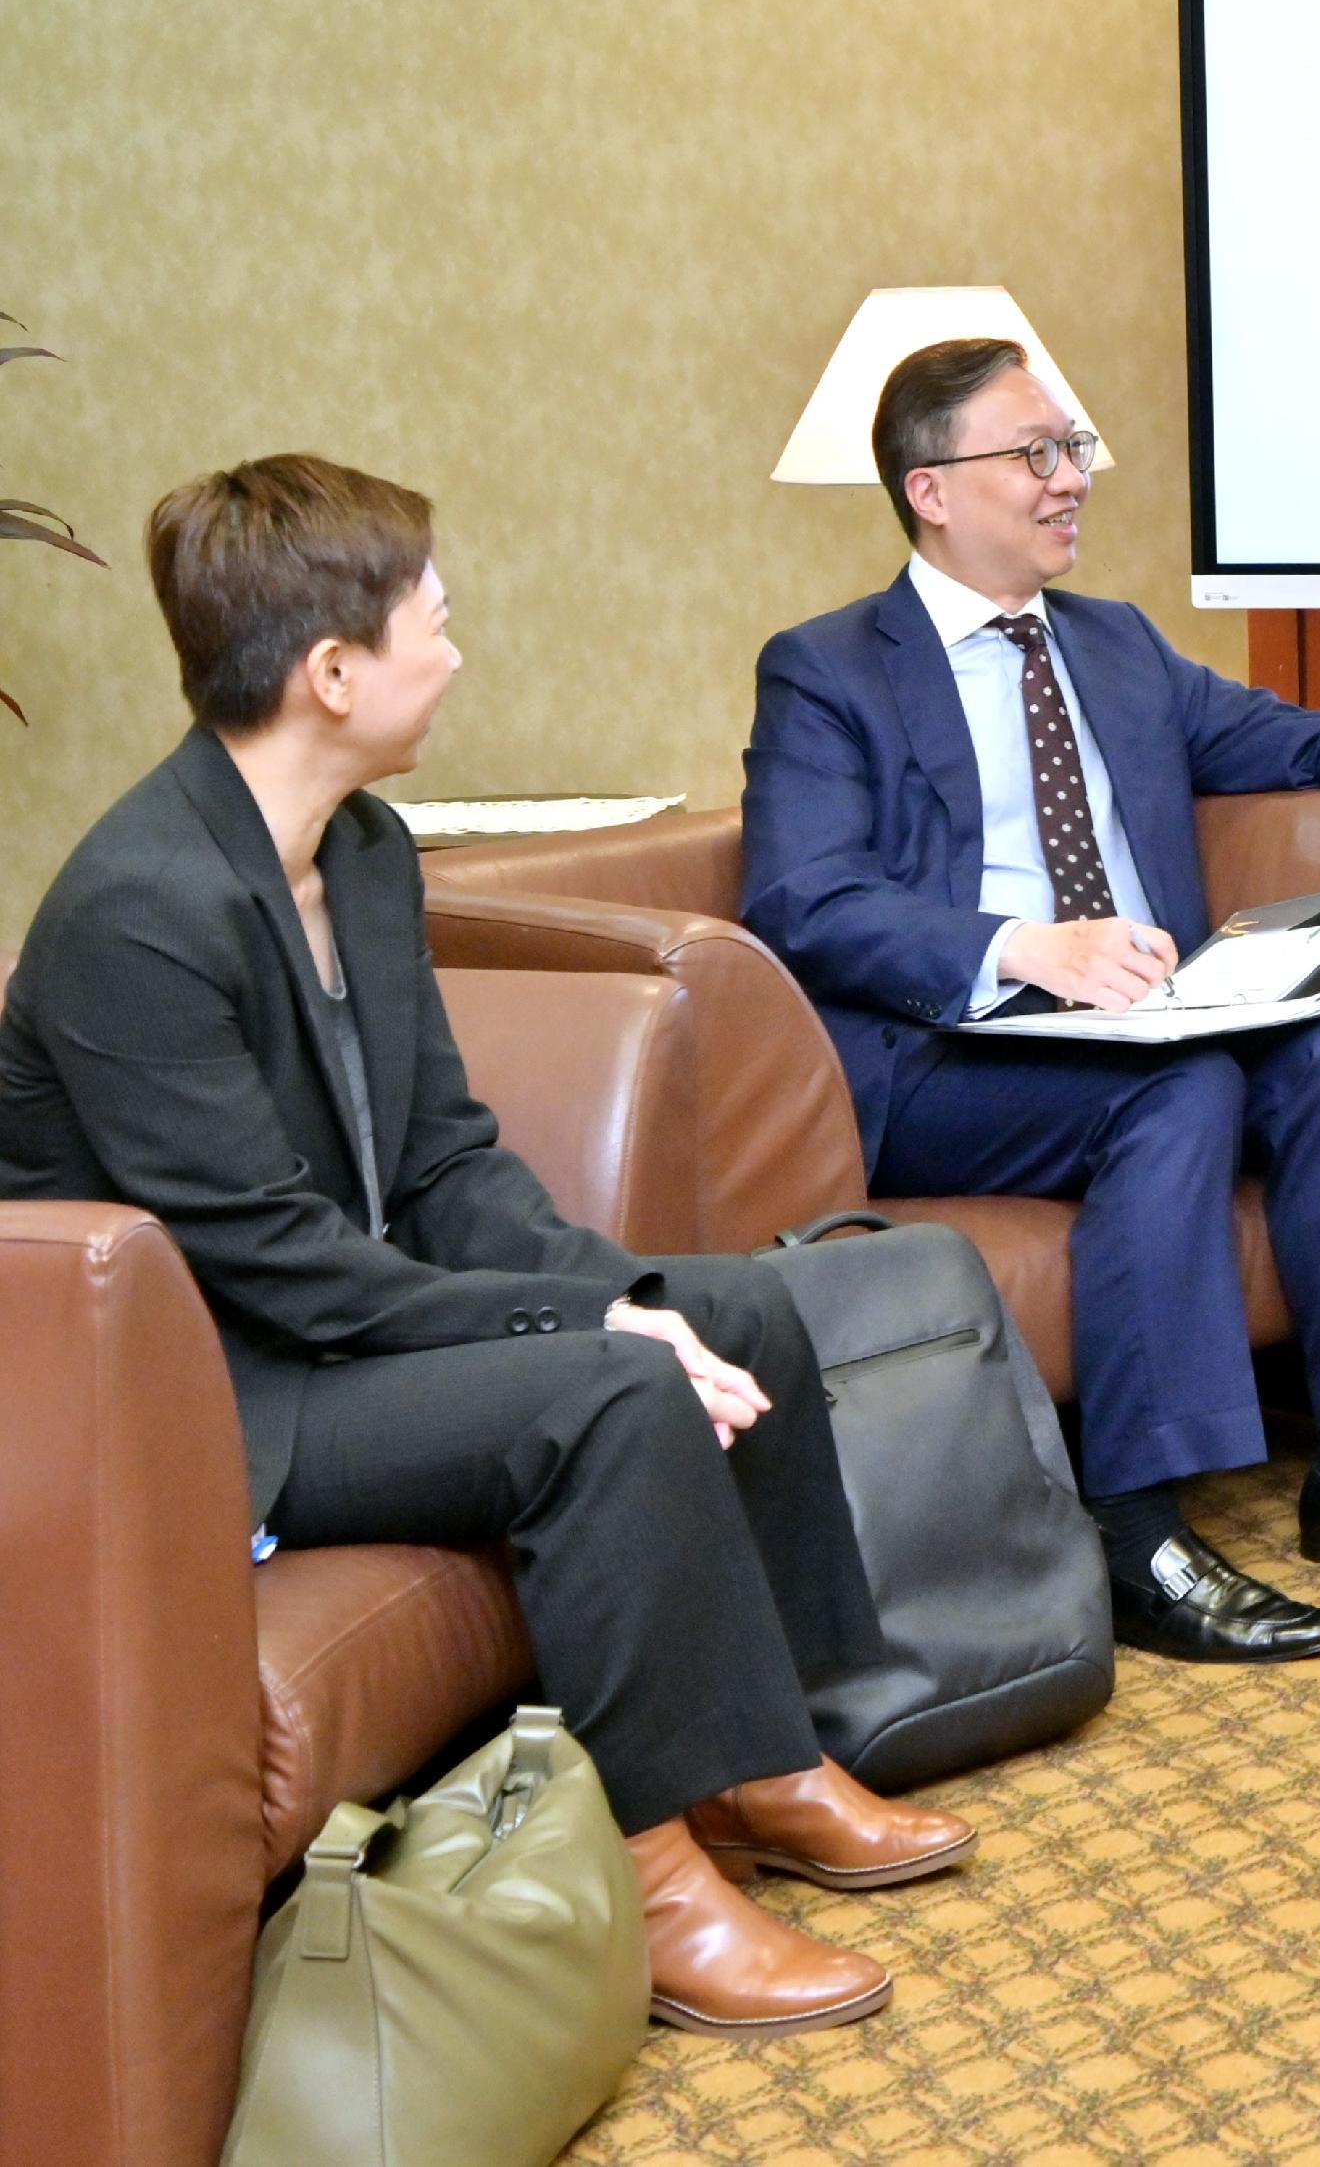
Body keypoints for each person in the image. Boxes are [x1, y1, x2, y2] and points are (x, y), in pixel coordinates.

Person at [0, 456, 971, 2039]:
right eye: (430, 625)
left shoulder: (365, 854)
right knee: (608, 1391)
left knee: (737, 1308)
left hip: (337, 1330)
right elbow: (274, 1264)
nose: (454, 653)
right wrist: (582, 1335)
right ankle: (652, 1878)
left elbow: (443, 1156)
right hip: (224, 1392)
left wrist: (618, 1291)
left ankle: (773, 1761)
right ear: (332, 672)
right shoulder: (137, 911)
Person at [742, 336, 1320, 1667]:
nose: (1073, 480)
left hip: (1146, 1019)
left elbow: (1284, 734)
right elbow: (803, 897)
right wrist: (1023, 946)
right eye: (1037, 455)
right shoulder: (831, 670)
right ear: (931, 489)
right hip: (950, 1057)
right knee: (1181, 1091)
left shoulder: (1114, 646)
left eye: (1077, 449)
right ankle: (1135, 1527)